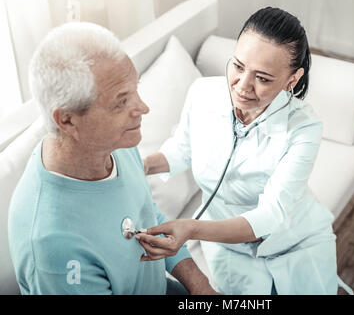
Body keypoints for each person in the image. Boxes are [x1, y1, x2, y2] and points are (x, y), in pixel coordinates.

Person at [137, 7, 354, 295]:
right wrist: (142, 164)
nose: (242, 86)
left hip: (296, 244)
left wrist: (191, 229)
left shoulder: (304, 127)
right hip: (230, 249)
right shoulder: (202, 93)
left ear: (293, 78)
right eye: (238, 66)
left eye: (263, 78)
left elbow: (271, 215)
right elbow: (181, 150)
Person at [8, 22, 217, 295]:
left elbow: (146, 211)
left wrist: (201, 287)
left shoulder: (113, 143)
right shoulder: (53, 246)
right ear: (68, 120)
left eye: (135, 89)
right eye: (121, 102)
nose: (143, 108)